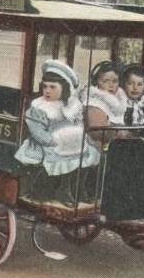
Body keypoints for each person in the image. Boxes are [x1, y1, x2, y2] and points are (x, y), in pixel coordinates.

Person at [14, 60, 100, 206]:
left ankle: (79, 188)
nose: (47, 91)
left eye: (53, 87)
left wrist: (80, 136)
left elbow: (78, 124)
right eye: (45, 87)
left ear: (64, 88)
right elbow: (37, 131)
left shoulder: (71, 106)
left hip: (69, 142)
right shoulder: (38, 107)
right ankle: (63, 191)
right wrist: (51, 141)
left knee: (90, 152)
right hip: (44, 144)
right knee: (63, 157)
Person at [80, 60, 128, 146]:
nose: (111, 85)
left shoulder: (119, 101)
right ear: (96, 82)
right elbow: (97, 132)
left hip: (117, 144)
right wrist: (120, 131)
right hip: (98, 147)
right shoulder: (93, 103)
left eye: (115, 81)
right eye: (106, 81)